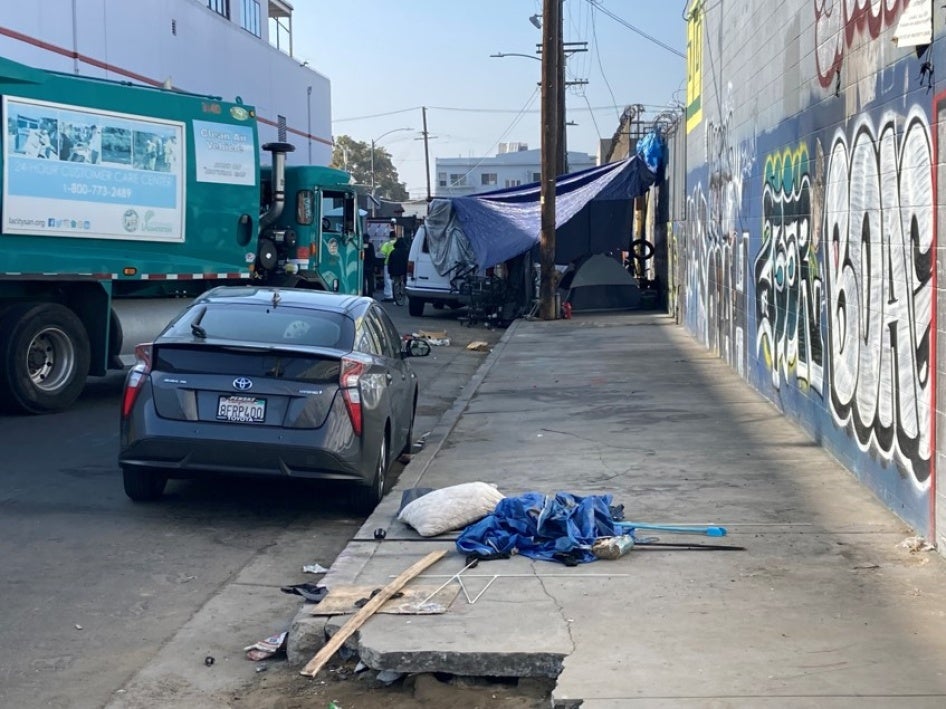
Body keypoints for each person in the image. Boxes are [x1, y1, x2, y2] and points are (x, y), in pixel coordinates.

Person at [379, 225, 398, 301]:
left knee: (387, 280)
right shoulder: (397, 243)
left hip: (388, 263)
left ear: (389, 236)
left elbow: (382, 254)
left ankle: (388, 296)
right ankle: (396, 295)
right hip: (396, 264)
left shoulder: (387, 244)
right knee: (396, 280)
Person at [387, 232, 409, 298]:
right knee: (403, 282)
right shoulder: (406, 252)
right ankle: (403, 293)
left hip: (395, 271)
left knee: (396, 283)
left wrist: (390, 272)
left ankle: (396, 296)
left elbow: (390, 263)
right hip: (404, 271)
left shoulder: (393, 252)